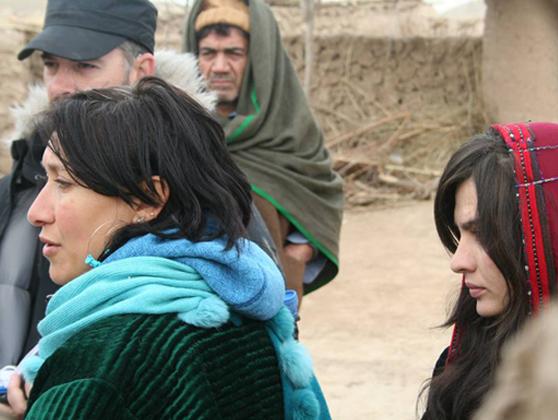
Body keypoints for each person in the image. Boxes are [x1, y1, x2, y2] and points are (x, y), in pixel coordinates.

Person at [13, 77, 330, 419]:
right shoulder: (250, 317)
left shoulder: (101, 362)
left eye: (63, 182)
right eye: (45, 180)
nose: (36, 213)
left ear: (148, 199)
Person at [0, 0, 276, 380]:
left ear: (142, 70)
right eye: (51, 65)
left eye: (84, 66)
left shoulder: (202, 203)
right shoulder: (16, 188)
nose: (61, 86)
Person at [420, 122, 558, 419]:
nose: (458, 262)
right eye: (461, 234)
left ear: (551, 236)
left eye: (482, 233)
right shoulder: (461, 373)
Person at [182, 0, 344, 305]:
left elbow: (322, 191)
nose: (219, 67)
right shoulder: (177, 130)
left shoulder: (288, 128)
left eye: (234, 53)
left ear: (257, 58)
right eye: (208, 53)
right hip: (193, 304)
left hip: (271, 302)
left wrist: (298, 252)